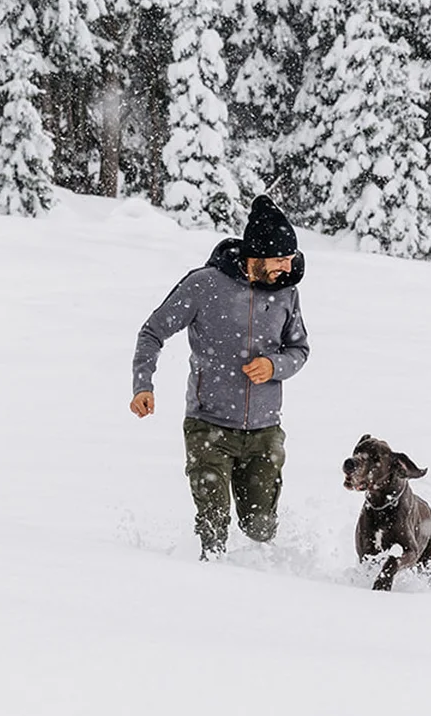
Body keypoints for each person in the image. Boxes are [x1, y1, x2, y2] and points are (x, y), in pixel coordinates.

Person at [131, 196, 310, 559]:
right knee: (213, 526)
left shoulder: (287, 292)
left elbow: (300, 350)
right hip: (208, 426)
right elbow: (152, 332)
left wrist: (274, 366)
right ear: (255, 256)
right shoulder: (203, 285)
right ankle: (210, 587)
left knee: (260, 528)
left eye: (289, 260)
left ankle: (264, 578)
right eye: (279, 261)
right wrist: (143, 386)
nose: (285, 268)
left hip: (264, 431)